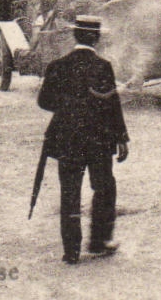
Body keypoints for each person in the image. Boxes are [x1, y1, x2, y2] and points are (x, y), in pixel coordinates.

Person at [37, 15, 130, 264]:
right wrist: (122, 138)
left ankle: (71, 251)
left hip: (67, 139)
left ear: (75, 36)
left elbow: (44, 101)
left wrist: (68, 107)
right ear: (96, 38)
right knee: (104, 188)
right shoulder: (103, 67)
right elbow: (112, 106)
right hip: (99, 140)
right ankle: (98, 242)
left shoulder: (57, 66)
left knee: (69, 192)